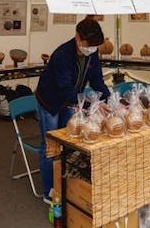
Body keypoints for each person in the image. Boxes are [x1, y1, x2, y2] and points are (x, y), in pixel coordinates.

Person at [35, 18, 110, 201]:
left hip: (71, 101)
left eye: (94, 46)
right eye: (89, 45)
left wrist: (107, 99)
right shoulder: (63, 55)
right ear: (78, 38)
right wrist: (90, 104)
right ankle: (49, 191)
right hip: (50, 102)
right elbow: (65, 88)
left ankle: (66, 186)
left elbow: (97, 80)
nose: (91, 48)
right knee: (50, 146)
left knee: (69, 141)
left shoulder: (92, 52)